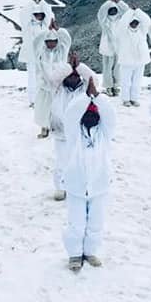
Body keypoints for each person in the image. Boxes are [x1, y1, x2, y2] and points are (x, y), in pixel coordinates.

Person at [61, 77, 116, 272]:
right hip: (76, 187)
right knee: (76, 223)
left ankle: (90, 251)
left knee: (96, 222)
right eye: (87, 115)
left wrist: (97, 97)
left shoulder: (104, 134)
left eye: (94, 115)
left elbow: (110, 115)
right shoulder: (73, 134)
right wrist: (86, 97)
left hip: (99, 186)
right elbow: (70, 114)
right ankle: (75, 254)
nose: (91, 118)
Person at [47, 51, 96, 200]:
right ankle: (60, 188)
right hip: (61, 133)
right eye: (70, 75)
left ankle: (82, 187)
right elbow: (53, 77)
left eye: (76, 75)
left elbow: (94, 80)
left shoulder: (84, 90)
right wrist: (70, 66)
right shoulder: (57, 88)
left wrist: (79, 66)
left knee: (82, 161)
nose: (73, 77)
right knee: (62, 161)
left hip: (80, 133)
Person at [33, 19, 72, 138]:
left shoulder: (61, 52)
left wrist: (58, 30)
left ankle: (58, 126)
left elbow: (67, 40)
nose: (51, 44)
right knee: (44, 108)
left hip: (58, 86)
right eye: (48, 41)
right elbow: (36, 42)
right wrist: (46, 31)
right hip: (44, 86)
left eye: (54, 41)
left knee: (59, 107)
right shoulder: (41, 52)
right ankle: (44, 127)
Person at [20, 0, 54, 106]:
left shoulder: (44, 25)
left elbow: (48, 13)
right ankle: (33, 100)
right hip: (31, 55)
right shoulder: (27, 25)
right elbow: (25, 13)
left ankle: (42, 98)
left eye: (41, 14)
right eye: (36, 14)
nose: (39, 16)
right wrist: (33, 2)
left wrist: (42, 1)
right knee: (32, 78)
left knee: (43, 77)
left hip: (43, 55)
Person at [115, 6, 151, 107]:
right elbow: (122, 23)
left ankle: (134, 98)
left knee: (137, 81)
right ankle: (125, 99)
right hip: (127, 61)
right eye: (132, 22)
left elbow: (147, 21)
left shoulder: (142, 31)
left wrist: (138, 11)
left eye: (136, 22)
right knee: (126, 81)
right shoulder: (123, 32)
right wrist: (130, 11)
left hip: (140, 61)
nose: (134, 24)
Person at [96, 0, 127, 96]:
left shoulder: (121, 19)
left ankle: (116, 85)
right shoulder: (105, 21)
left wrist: (118, 2)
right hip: (107, 47)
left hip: (119, 47)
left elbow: (127, 11)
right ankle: (108, 86)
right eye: (111, 9)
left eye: (115, 9)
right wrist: (109, 2)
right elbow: (100, 13)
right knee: (107, 67)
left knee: (118, 67)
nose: (113, 11)